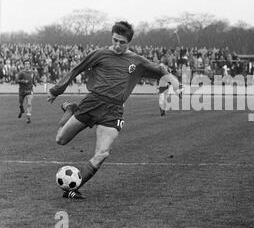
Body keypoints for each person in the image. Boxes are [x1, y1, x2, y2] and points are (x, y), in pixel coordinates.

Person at [47, 21, 180, 199]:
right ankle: (70, 109)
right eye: (115, 40)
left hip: (114, 110)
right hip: (92, 103)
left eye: (122, 42)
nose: (117, 45)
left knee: (102, 153)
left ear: (129, 42)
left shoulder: (138, 61)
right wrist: (57, 90)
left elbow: (164, 72)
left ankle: (73, 189)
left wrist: (177, 86)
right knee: (60, 139)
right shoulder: (100, 54)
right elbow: (77, 69)